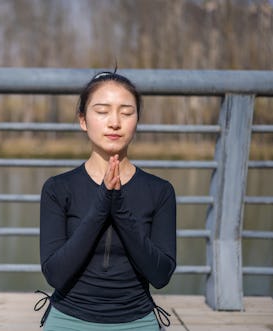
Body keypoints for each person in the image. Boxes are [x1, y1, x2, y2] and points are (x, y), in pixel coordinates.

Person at [37, 70, 176, 330]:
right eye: (102, 111)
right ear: (83, 120)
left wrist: (118, 206)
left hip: (137, 320)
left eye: (126, 112)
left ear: (137, 121)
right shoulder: (58, 189)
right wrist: (103, 203)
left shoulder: (160, 191)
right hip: (68, 318)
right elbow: (54, 274)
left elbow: (161, 275)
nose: (115, 122)